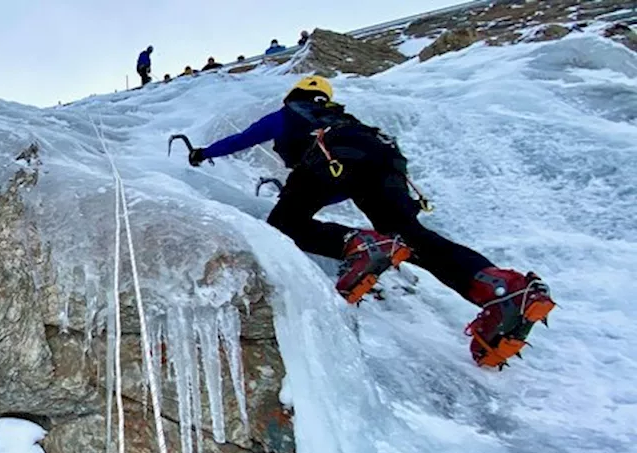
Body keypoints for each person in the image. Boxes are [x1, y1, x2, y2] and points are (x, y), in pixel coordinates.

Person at [184, 76, 555, 367]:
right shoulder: (346, 118)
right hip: (385, 160)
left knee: (286, 223)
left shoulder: (292, 113)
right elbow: (347, 180)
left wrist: (204, 153)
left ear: (296, 94)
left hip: (332, 157)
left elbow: (246, 137)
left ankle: (358, 245)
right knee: (411, 237)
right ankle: (502, 288)